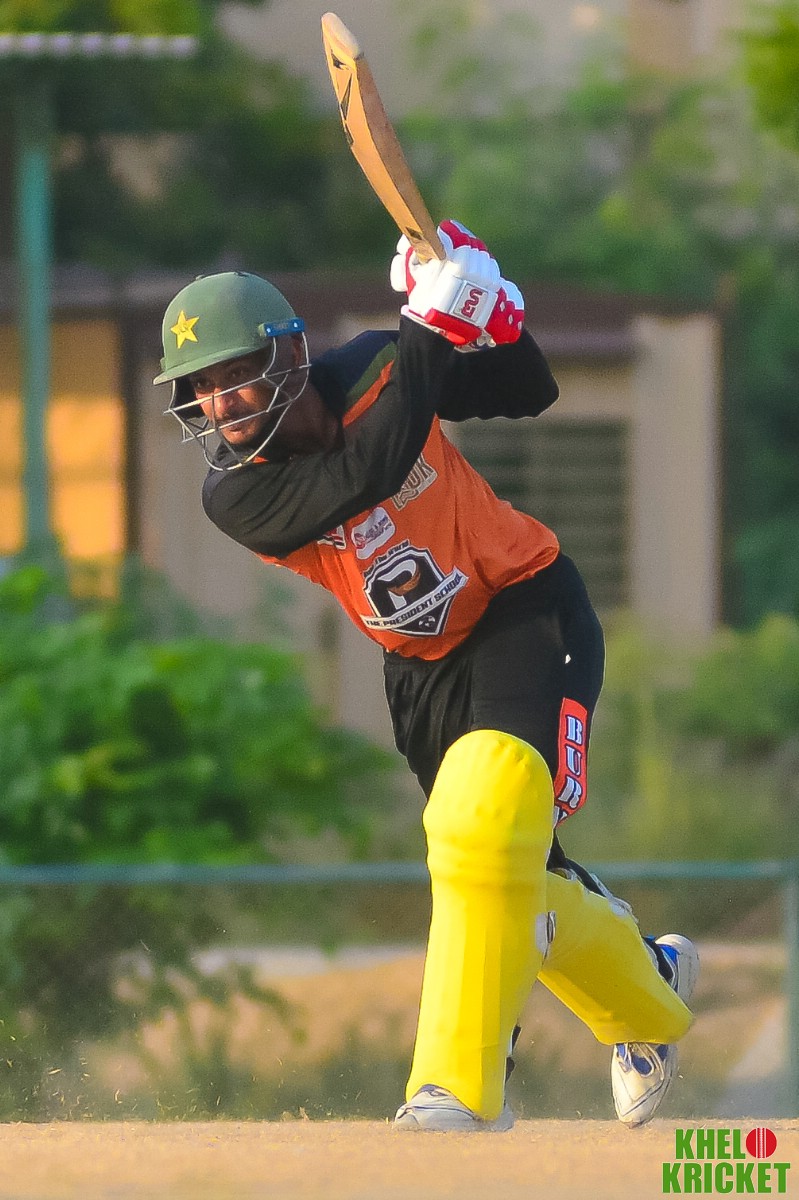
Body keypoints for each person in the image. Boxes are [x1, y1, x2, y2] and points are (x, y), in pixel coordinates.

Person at [154, 220, 699, 1132]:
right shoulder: (237, 494)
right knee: (507, 869)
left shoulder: (375, 365)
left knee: (482, 831)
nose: (219, 403)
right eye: (200, 388)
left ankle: (458, 1089)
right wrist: (429, 323)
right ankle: (651, 986)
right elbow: (369, 470)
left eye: (233, 373)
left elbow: (527, 390)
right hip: (419, 669)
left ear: (289, 355)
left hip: (524, 608)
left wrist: (493, 319)